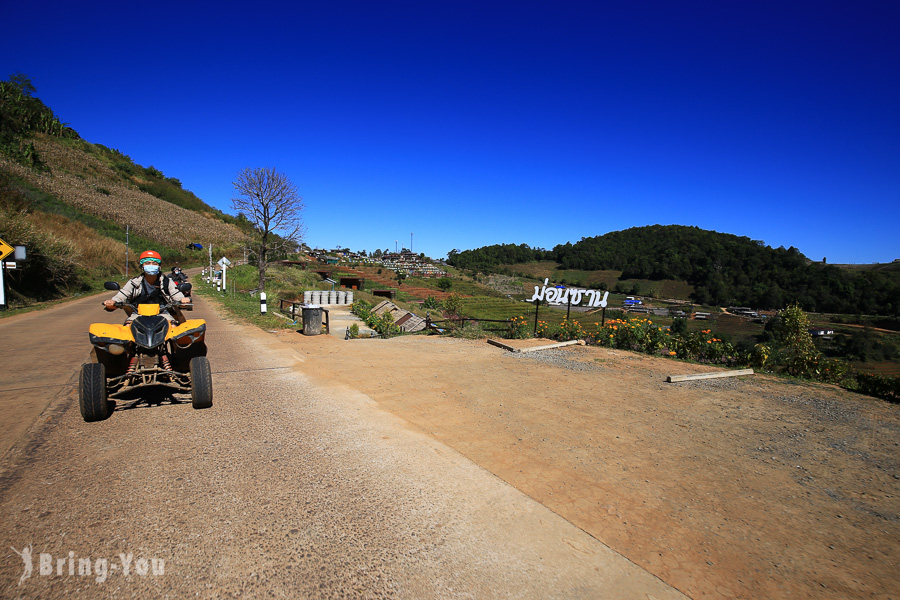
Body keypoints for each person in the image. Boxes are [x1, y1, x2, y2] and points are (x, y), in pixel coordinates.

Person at [104, 250, 190, 323]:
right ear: (142, 266)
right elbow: (123, 294)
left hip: (162, 313)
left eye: (155, 263)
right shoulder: (134, 282)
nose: (151, 265)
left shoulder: (167, 282)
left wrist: (182, 300)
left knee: (173, 326)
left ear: (160, 266)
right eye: (148, 263)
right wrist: (113, 301)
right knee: (128, 326)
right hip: (138, 314)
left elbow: (176, 293)